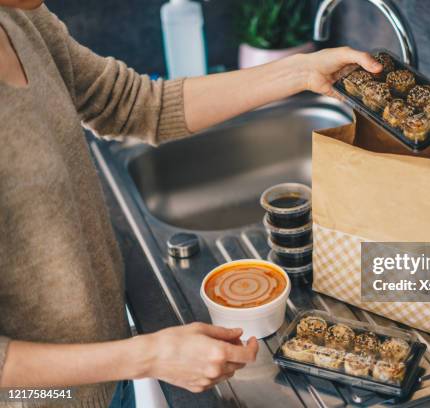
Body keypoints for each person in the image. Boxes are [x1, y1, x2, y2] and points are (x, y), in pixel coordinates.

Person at [0, 0, 382, 407]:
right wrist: (148, 356)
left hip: (108, 379)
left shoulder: (20, 17)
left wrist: (301, 71)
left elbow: (131, 104)